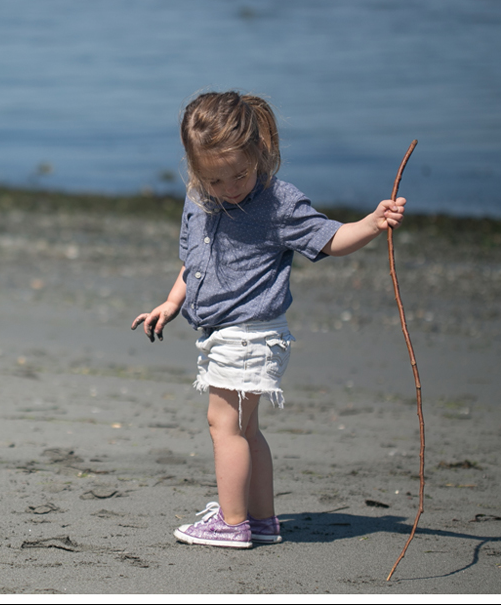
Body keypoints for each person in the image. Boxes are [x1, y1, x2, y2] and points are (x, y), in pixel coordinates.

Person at [131, 91, 406, 549]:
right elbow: (195, 261)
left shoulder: (278, 201)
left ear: (260, 150)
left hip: (250, 333)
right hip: (225, 333)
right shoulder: (199, 196)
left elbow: (330, 238)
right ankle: (260, 520)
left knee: (223, 425)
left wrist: (372, 224)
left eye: (240, 173)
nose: (230, 187)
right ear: (195, 169)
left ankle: (232, 522)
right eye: (216, 179)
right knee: (245, 428)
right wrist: (171, 302)